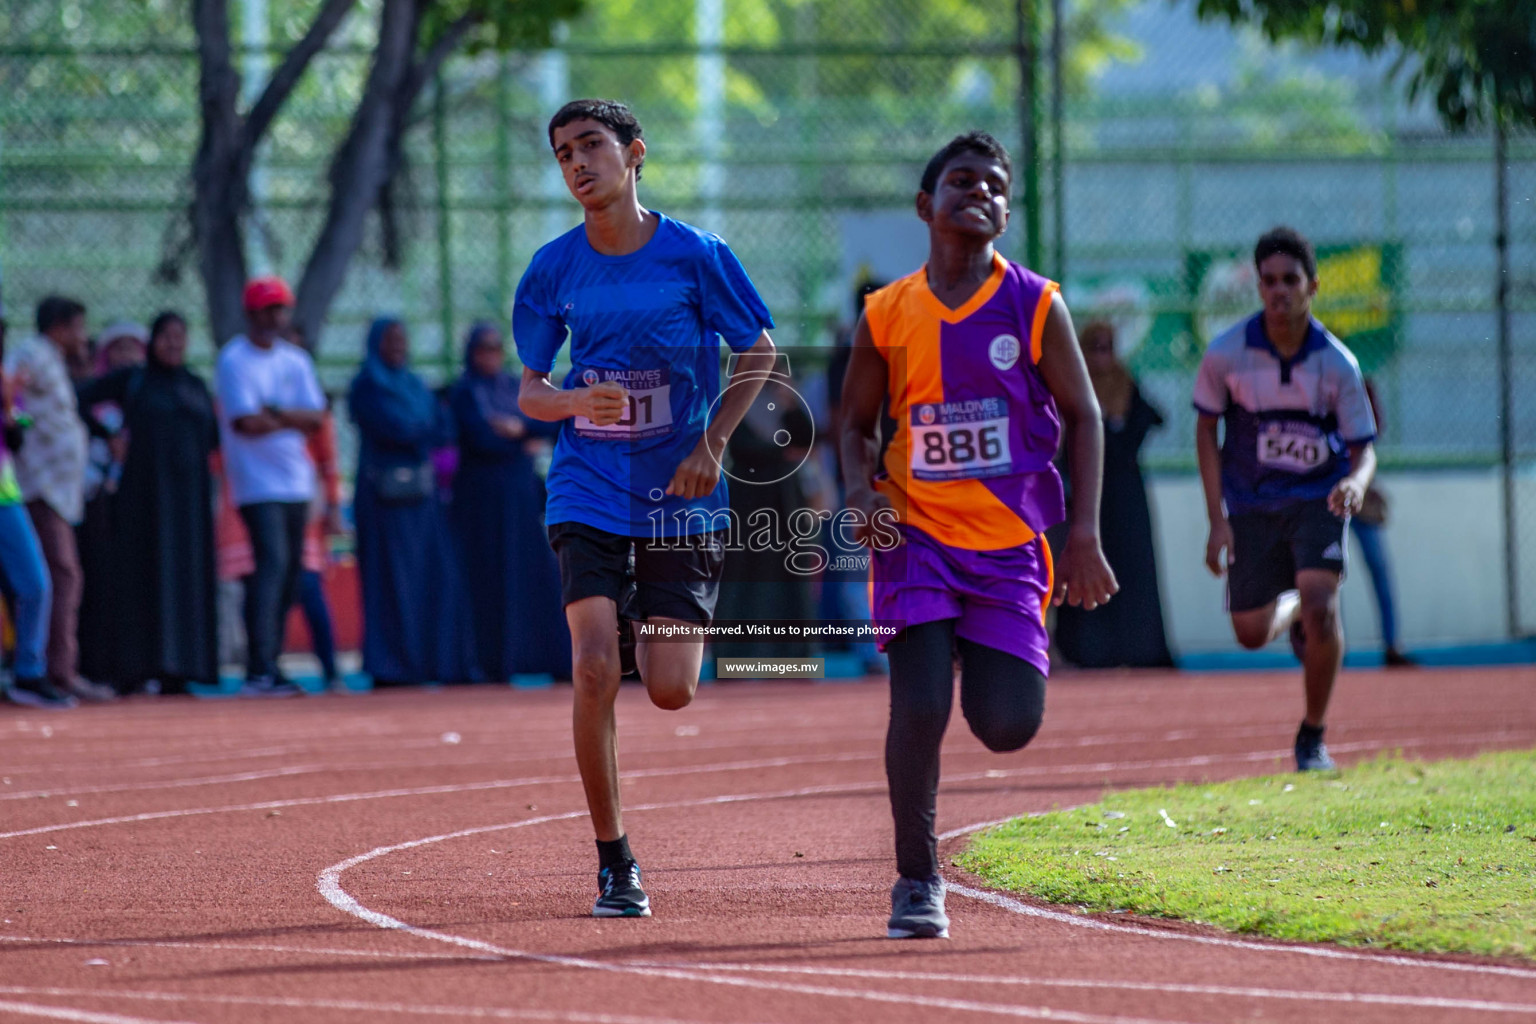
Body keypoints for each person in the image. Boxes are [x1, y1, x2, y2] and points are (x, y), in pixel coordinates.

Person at [839, 131, 1118, 940]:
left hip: (1004, 548)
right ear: (926, 206)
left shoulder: (1034, 303)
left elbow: (1085, 415)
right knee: (920, 705)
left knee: (1006, 726)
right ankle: (917, 882)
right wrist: (861, 491)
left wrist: (1083, 536)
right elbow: (854, 423)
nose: (983, 193)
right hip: (915, 537)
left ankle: (973, 639)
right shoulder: (888, 312)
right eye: (963, 181)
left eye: (997, 185)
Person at [514, 99, 776, 918]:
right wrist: (573, 402)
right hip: (588, 485)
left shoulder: (697, 255)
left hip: (681, 494)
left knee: (670, 690)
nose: (577, 164)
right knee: (594, 665)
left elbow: (761, 351)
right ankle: (614, 862)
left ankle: (639, 612)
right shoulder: (552, 268)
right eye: (563, 154)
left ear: (635, 155)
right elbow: (531, 392)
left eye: (591, 146)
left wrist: (714, 444)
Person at [1194, 226, 1377, 772]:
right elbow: (1205, 431)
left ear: (1312, 286)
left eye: (1290, 280)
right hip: (1249, 504)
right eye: (1268, 281)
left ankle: (1312, 738)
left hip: (1316, 500)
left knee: (1325, 612)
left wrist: (1355, 484)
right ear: (1258, 287)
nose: (1279, 291)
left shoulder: (1338, 364)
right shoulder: (1227, 354)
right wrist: (1216, 520)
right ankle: (1294, 604)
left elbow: (1364, 449)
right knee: (1250, 634)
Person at [76, 312, 219, 693]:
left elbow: (213, 439)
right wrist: (108, 434)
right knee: (139, 581)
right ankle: (136, 668)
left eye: (180, 336)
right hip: (143, 504)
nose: (173, 344)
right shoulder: (134, 380)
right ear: (153, 341)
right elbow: (78, 398)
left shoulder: (195, 385)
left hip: (189, 509)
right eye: (166, 336)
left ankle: (182, 669)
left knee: (186, 583)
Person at [215, 276, 326, 698]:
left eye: (281, 309)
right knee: (271, 566)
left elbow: (316, 418)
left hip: (295, 481)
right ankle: (258, 667)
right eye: (268, 310)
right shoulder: (234, 360)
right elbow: (244, 422)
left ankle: (271, 663)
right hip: (256, 484)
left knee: (290, 575)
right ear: (251, 313)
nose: (276, 318)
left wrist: (274, 413)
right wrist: (289, 418)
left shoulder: (295, 360)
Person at [349, 317, 473, 687]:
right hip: (383, 501)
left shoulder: (414, 383)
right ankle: (391, 667)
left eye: (402, 339)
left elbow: (443, 427)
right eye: (389, 339)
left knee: (429, 578)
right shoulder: (367, 385)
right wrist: (422, 426)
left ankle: (426, 662)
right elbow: (400, 427)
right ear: (375, 343)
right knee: (389, 582)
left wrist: (420, 426)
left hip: (421, 499)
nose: (397, 346)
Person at [4, 296, 115, 704]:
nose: (83, 337)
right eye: (79, 327)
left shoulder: (49, 359)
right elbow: (10, 395)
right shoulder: (31, 354)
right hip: (36, 487)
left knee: (55, 577)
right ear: (60, 326)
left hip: (52, 490)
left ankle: (53, 670)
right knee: (58, 575)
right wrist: (15, 420)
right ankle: (53, 672)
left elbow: (21, 407)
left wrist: (22, 421)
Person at [449, 322, 570, 682]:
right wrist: (522, 437)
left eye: (496, 348)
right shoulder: (465, 391)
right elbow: (480, 438)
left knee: (536, 577)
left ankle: (548, 660)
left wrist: (519, 429)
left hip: (519, 501)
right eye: (483, 349)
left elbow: (550, 423)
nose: (491, 356)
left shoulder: (512, 386)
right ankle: (493, 664)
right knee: (489, 581)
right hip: (481, 506)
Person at [1052, 321, 1174, 669]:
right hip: (1088, 498)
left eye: (1108, 347)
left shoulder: (1127, 384)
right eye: (1094, 348)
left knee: (1133, 573)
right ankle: (1087, 652)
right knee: (1083, 571)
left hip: (1126, 499)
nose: (1102, 356)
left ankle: (1140, 649)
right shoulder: (1073, 386)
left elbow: (1156, 420)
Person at [76, 321, 148, 688]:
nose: (126, 356)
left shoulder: (148, 398)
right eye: (117, 348)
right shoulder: (93, 403)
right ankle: (96, 668)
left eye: (133, 348)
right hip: (97, 504)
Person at [0, 310, 59, 708]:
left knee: (35, 584)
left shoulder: (8, 382)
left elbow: (16, 439)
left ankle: (29, 672)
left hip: (6, 497)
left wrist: (9, 406)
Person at [1352, 378, 1414, 668]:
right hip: (1321, 495)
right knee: (1321, 575)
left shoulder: (1361, 382)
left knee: (1379, 567)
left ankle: (1391, 644)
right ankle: (1323, 647)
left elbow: (1371, 435)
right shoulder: (1310, 380)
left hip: (1358, 493)